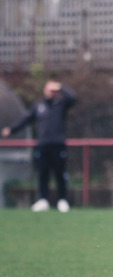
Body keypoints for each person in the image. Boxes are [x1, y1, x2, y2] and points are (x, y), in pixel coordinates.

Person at [1, 80, 76, 212]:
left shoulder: (61, 104)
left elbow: (73, 98)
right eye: (49, 89)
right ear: (44, 90)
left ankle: (62, 200)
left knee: (60, 174)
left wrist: (60, 87)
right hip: (43, 145)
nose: (51, 92)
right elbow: (26, 120)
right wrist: (11, 129)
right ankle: (43, 200)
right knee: (43, 174)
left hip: (58, 145)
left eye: (53, 90)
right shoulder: (39, 106)